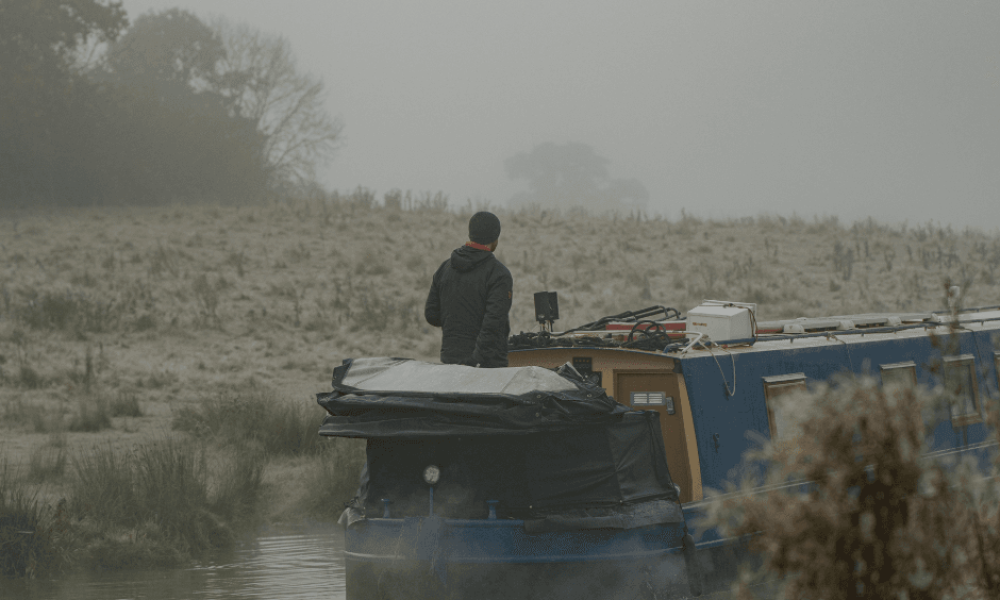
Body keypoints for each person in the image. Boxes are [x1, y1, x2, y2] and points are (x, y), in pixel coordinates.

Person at [424, 211, 513, 367]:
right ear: (495, 238)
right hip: (487, 367)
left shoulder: (444, 268)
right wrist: (475, 360)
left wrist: (457, 322)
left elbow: (431, 315)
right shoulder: (499, 274)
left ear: (471, 234)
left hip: (450, 360)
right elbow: (493, 323)